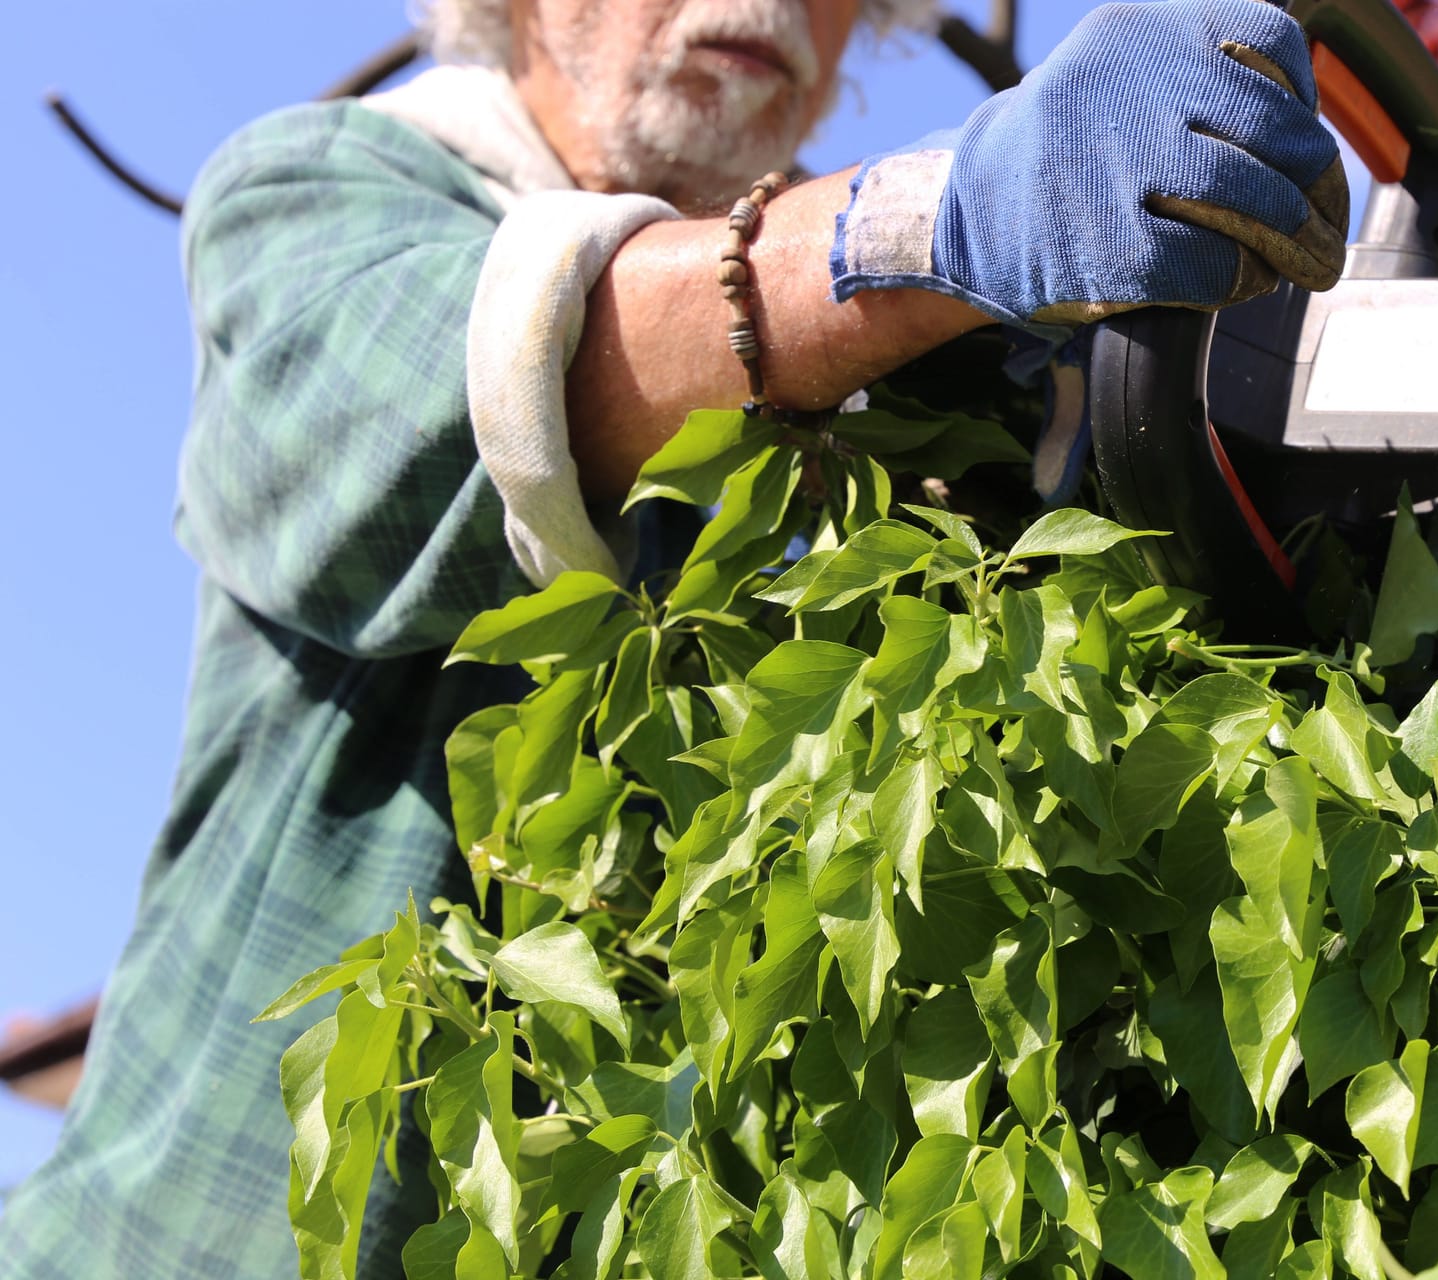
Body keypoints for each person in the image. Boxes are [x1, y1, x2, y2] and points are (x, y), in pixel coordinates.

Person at [0, 0, 1345, 1274]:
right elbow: (456, 399)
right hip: (208, 1239)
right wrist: (923, 225)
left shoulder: (933, 348)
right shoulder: (320, 192)